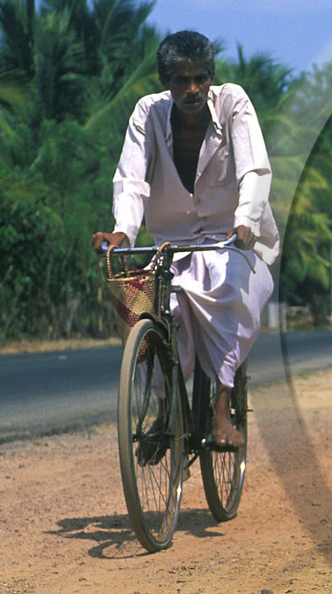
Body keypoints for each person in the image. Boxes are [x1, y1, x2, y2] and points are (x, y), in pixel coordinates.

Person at [92, 30, 278, 448]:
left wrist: (246, 220)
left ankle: (221, 407)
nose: (191, 89)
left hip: (229, 237)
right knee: (158, 310)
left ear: (211, 78)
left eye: (200, 79)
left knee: (230, 290)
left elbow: (254, 169)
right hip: (171, 242)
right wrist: (124, 230)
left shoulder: (234, 104)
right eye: (181, 80)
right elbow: (131, 179)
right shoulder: (148, 114)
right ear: (166, 82)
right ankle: (165, 407)